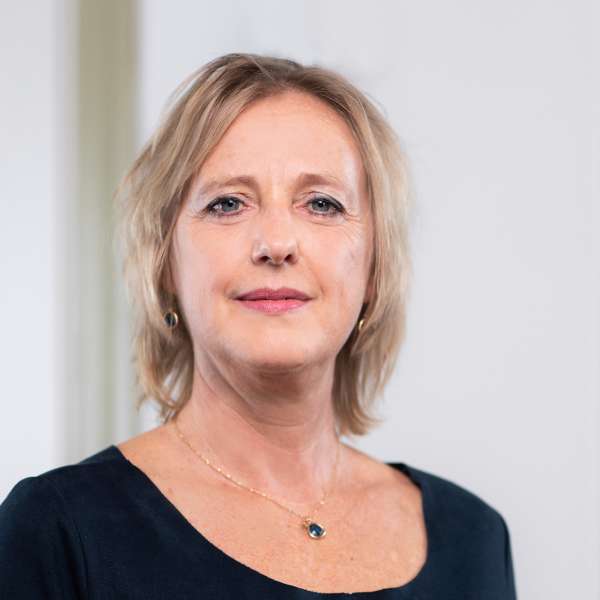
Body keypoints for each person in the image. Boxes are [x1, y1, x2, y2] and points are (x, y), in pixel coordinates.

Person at [0, 52, 517, 598]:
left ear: (375, 266)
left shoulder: (475, 538)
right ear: (165, 262)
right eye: (227, 204)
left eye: (322, 204)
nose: (276, 243)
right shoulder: (57, 532)